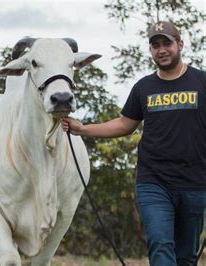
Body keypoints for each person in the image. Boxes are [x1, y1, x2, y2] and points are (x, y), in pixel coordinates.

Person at [62, 21, 205, 266]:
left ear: (180, 45)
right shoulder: (144, 87)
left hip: (195, 182)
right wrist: (82, 129)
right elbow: (125, 124)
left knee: (186, 256)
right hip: (154, 182)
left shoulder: (201, 81)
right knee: (160, 244)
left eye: (166, 43)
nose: (161, 50)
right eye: (155, 45)